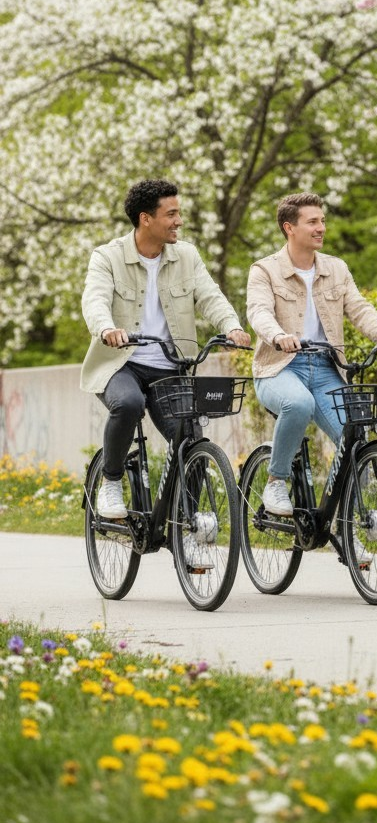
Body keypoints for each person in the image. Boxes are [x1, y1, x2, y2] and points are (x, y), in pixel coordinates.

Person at [81, 178, 250, 561]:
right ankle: (111, 482)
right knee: (127, 404)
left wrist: (232, 326)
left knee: (188, 435)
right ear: (146, 219)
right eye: (171, 214)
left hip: (171, 368)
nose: (179, 220)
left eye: (178, 212)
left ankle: (183, 524)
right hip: (120, 363)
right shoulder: (107, 257)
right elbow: (94, 299)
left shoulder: (185, 256)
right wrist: (106, 328)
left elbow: (210, 296)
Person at [246, 192, 377, 560]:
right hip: (279, 367)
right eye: (312, 222)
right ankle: (276, 481)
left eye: (322, 220)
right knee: (298, 404)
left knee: (356, 439)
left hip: (326, 368)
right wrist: (277, 336)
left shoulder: (336, 268)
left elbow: (360, 308)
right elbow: (258, 311)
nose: (321, 227)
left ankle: (345, 526)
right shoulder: (264, 269)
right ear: (290, 228)